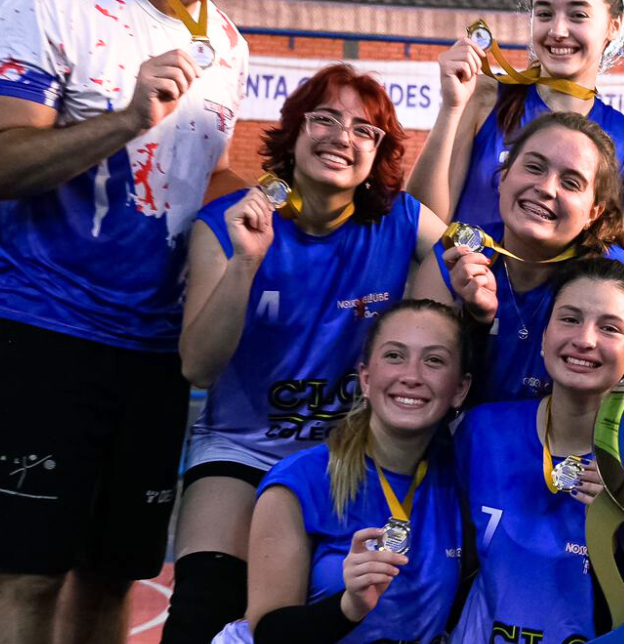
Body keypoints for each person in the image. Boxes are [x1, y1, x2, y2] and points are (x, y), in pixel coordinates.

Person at [0, 0, 255, 641]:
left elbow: (191, 196)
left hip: (155, 355)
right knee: (29, 577)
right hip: (44, 331)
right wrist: (121, 122)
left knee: (114, 577)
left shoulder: (233, 49)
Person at [161, 65, 449, 642]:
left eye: (364, 130)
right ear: (293, 132)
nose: (343, 136)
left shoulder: (399, 221)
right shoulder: (227, 224)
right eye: (325, 119)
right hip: (244, 449)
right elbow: (199, 365)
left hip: (346, 454)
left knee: (332, 611)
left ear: (378, 155)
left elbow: (468, 251)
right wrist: (246, 263)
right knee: (202, 607)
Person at [210, 300, 469, 644]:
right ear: (365, 377)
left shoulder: (461, 478)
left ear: (460, 389)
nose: (411, 376)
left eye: (434, 361)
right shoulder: (300, 482)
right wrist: (349, 606)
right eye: (394, 356)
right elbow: (269, 632)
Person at [451, 257, 624, 642]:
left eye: (609, 327)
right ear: (545, 337)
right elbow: (452, 564)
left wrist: (622, 523)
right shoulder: (484, 432)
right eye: (569, 319)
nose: (585, 339)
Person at [418, 111, 624, 401]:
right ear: (504, 177)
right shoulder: (455, 257)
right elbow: (419, 388)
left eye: (571, 183)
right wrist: (472, 322)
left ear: (594, 212)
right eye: (534, 167)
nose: (545, 188)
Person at [409, 0, 624, 227]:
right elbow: (419, 222)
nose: (558, 30)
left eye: (578, 15)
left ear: (613, 26)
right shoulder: (486, 97)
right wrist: (451, 109)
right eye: (545, 14)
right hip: (464, 269)